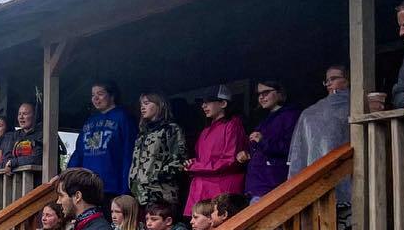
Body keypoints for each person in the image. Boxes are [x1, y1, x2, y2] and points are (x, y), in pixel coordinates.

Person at [288, 64, 352, 221]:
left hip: (348, 171)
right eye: (327, 80)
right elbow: (300, 150)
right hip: (319, 174)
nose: (329, 83)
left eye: (334, 78)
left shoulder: (355, 103)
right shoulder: (311, 112)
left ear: (348, 79)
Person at [183, 85, 248, 216]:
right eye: (203, 103)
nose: (203, 106)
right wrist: (192, 163)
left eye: (208, 102)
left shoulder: (232, 124)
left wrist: (196, 166)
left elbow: (230, 160)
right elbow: (203, 159)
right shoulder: (205, 131)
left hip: (220, 187)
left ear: (223, 103)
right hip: (202, 187)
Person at [67, 81, 138, 197]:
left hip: (113, 187)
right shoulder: (90, 121)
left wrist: (126, 188)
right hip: (88, 186)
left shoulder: (123, 117)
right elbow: (79, 153)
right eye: (93, 95)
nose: (95, 98)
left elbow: (129, 152)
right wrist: (66, 175)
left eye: (100, 94)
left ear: (112, 95)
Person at [242, 80, 300, 201]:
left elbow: (292, 148)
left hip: (273, 184)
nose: (261, 97)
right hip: (257, 184)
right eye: (259, 94)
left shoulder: (291, 116)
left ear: (280, 93)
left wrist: (263, 141)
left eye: (266, 92)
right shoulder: (264, 119)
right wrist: (247, 154)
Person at [127, 92, 187, 209]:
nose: (142, 107)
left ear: (160, 105)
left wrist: (156, 177)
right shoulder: (142, 133)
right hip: (140, 194)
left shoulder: (171, 129)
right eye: (141, 104)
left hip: (162, 194)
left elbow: (179, 160)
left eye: (147, 103)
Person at [2, 102, 43, 171]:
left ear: (34, 116)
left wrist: (14, 162)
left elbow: (37, 158)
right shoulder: (14, 135)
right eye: (19, 114)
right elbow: (6, 158)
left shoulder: (42, 135)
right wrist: (11, 162)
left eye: (25, 114)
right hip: (15, 179)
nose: (21, 117)